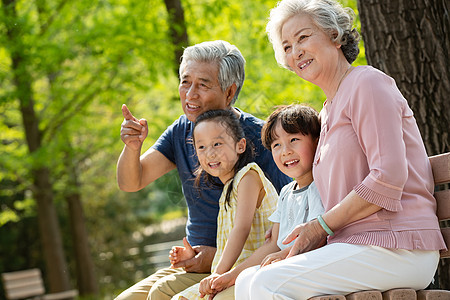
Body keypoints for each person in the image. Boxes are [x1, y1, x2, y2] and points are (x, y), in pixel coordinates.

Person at [235, 0, 447, 299]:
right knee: (247, 280)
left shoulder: (367, 82)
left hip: (398, 245)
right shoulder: (326, 113)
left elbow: (388, 177)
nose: (295, 51)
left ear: (334, 35)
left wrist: (319, 227)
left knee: (266, 284)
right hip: (353, 246)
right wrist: (298, 238)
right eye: (286, 47)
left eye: (303, 37)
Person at [115, 40, 291, 300]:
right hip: (194, 266)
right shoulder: (181, 130)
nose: (190, 94)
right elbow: (132, 181)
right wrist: (132, 147)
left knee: (161, 296)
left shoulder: (264, 138)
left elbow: (290, 214)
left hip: (241, 264)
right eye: (185, 82)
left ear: (230, 92)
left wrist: (216, 257)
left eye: (203, 85)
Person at [203, 104, 325, 298]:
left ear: (317, 142)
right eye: (277, 145)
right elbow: (273, 244)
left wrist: (282, 256)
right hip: (282, 269)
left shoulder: (322, 187)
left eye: (294, 140)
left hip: (307, 269)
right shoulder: (286, 193)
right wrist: (231, 275)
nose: (285, 151)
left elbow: (319, 239)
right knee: (244, 279)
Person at [170, 109, 278, 300]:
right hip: (232, 274)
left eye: (217, 144)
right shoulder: (227, 189)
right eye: (201, 147)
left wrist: (216, 275)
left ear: (240, 145)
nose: (210, 153)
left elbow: (241, 229)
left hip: (255, 270)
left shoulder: (248, 176)